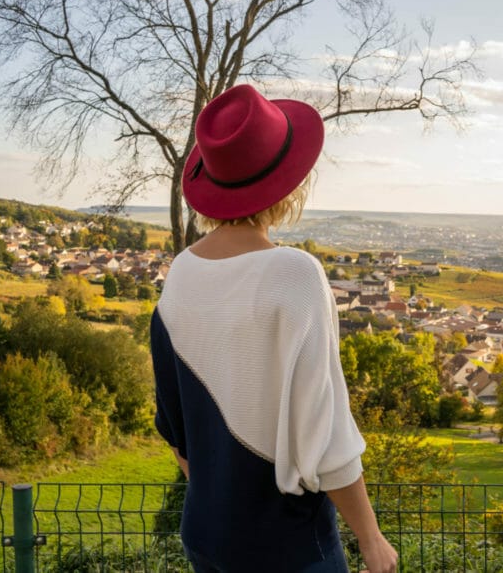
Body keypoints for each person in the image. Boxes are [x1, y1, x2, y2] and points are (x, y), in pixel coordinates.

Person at [149, 84, 398, 573]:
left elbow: (174, 426)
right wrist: (371, 540)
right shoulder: (294, 274)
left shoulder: (179, 275)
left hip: (205, 535)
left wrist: (223, 499)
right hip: (287, 549)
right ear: (288, 183)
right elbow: (325, 435)